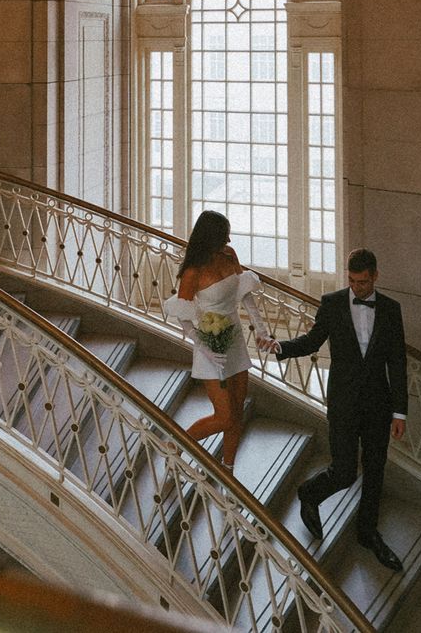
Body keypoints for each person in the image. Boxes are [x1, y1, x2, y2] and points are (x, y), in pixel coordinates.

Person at [264, 248, 407, 571]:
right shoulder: (331, 304)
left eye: (364, 282)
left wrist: (400, 412)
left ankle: (367, 533)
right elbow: (313, 341)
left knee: (375, 470)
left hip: (378, 405)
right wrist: (281, 347)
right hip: (343, 402)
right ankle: (310, 494)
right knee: (344, 470)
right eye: (352, 281)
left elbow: (397, 362)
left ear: (375, 277)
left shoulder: (391, 310)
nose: (357, 287)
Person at [164, 211, 270, 472]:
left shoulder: (230, 255)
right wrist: (204, 349)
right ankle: (175, 445)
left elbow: (245, 294)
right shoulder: (193, 272)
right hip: (209, 344)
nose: (229, 239)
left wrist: (261, 329)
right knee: (225, 416)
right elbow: (184, 318)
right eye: (224, 235)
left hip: (234, 339)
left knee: (237, 413)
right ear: (211, 237)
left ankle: (228, 471)